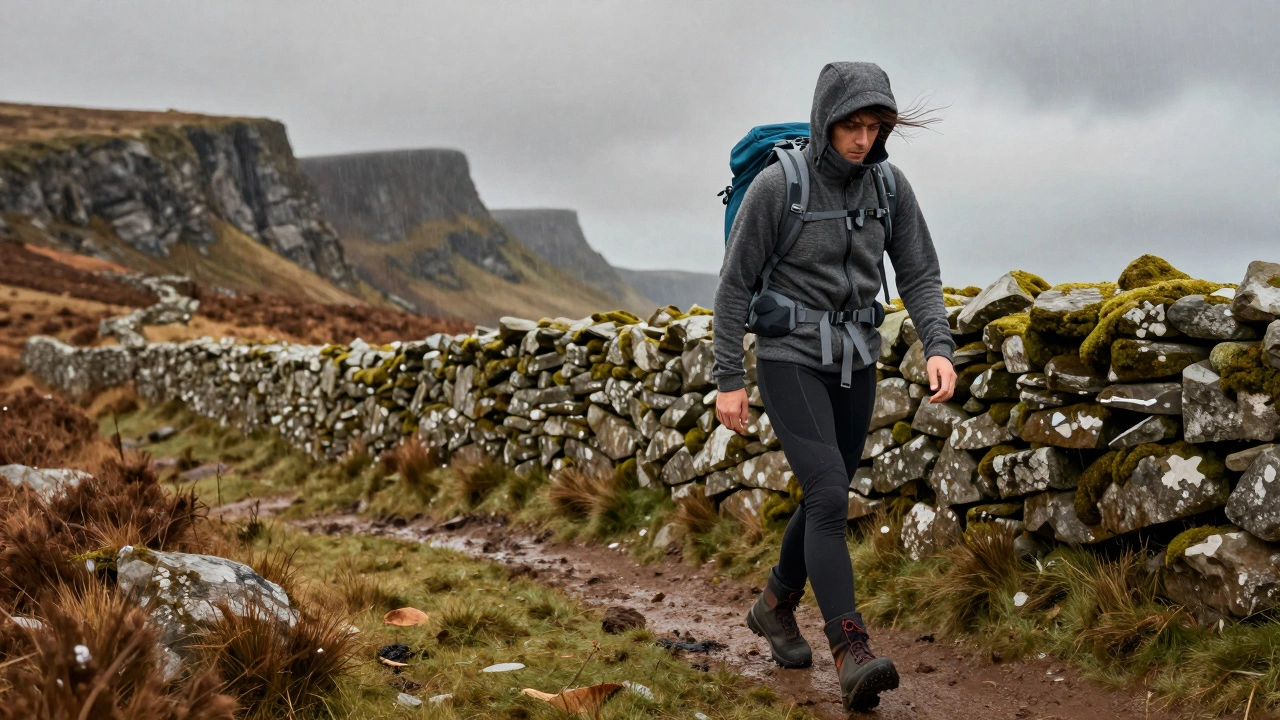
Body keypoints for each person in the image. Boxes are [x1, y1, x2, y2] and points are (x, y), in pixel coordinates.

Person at [711, 61, 957, 712]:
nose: (864, 139)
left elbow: (920, 275)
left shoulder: (890, 188)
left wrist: (939, 346)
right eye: (853, 124)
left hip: (856, 359)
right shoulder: (776, 188)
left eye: (876, 127)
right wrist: (728, 379)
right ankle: (852, 650)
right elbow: (735, 286)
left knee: (827, 493)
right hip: (789, 356)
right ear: (826, 119)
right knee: (826, 494)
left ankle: (773, 605)